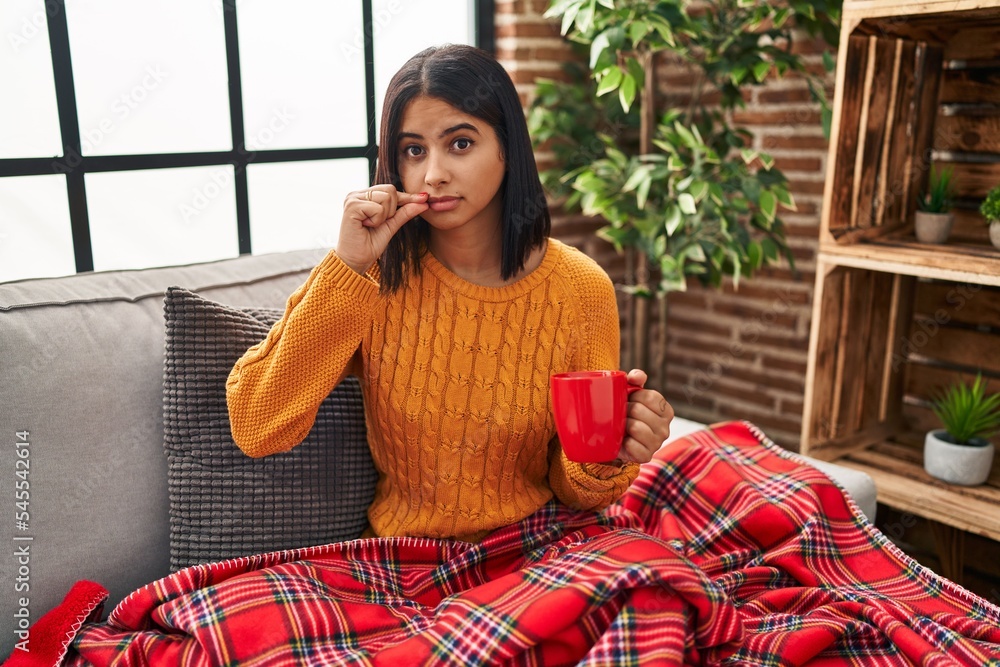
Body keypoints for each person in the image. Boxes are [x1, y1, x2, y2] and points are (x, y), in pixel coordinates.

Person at [226, 44, 674, 542]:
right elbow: (257, 424)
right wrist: (348, 264)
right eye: (413, 150)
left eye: (460, 143)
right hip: (410, 560)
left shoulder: (581, 288)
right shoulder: (369, 278)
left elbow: (576, 490)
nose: (432, 173)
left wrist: (611, 452)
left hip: (541, 546)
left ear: (508, 147)